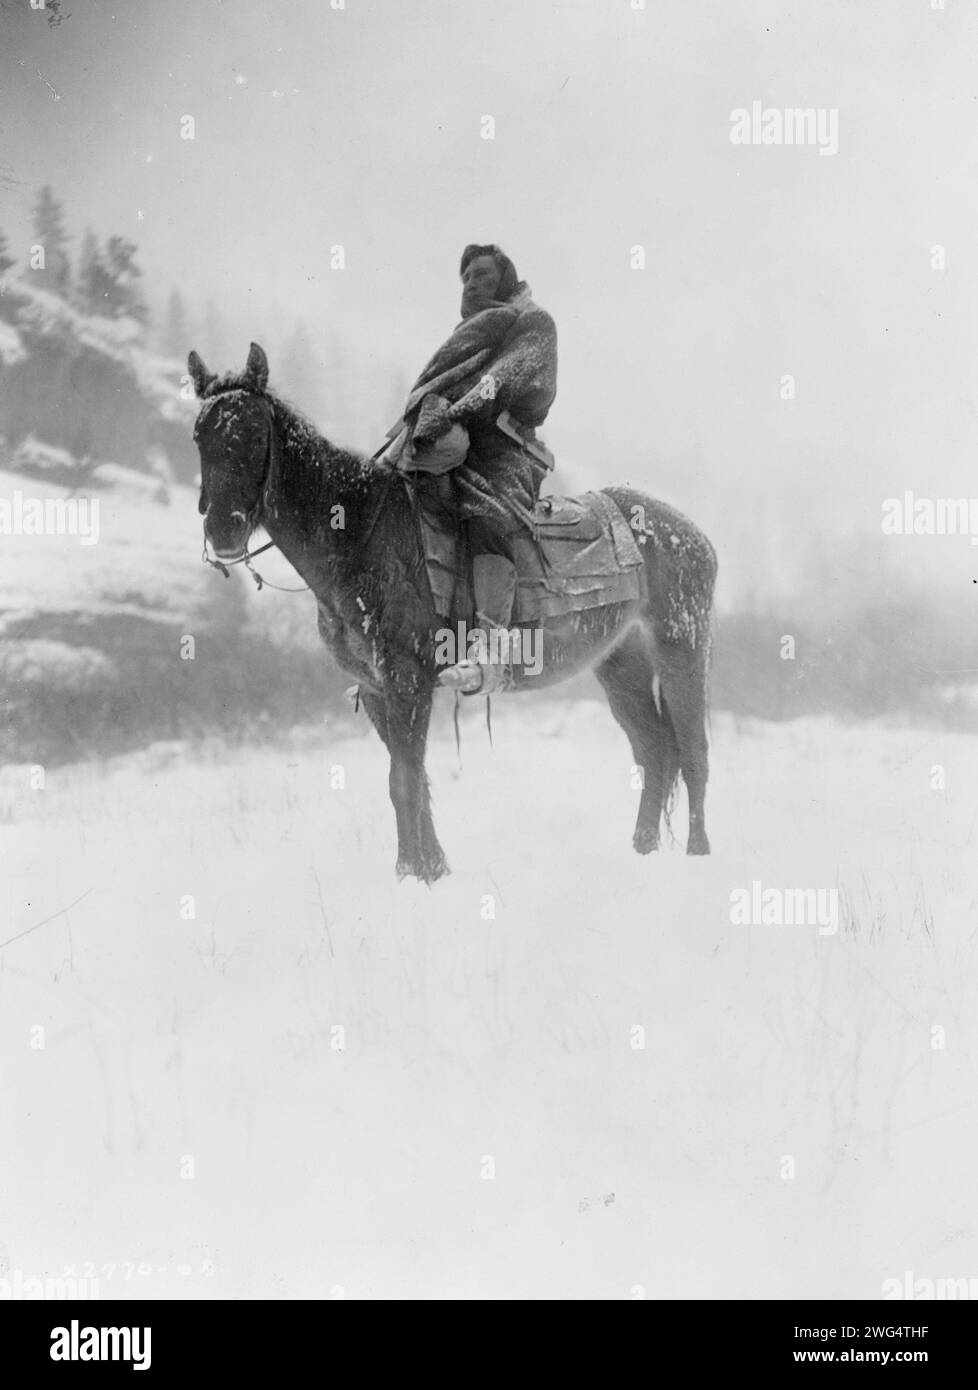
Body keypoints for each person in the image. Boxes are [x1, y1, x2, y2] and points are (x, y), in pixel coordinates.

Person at [382, 244, 558, 694]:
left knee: (489, 513)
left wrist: (451, 413)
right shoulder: (469, 334)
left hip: (504, 450)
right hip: (453, 442)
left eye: (482, 273)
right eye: (466, 278)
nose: (473, 283)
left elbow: (503, 383)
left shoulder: (533, 322)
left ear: (505, 276)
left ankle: (491, 648)